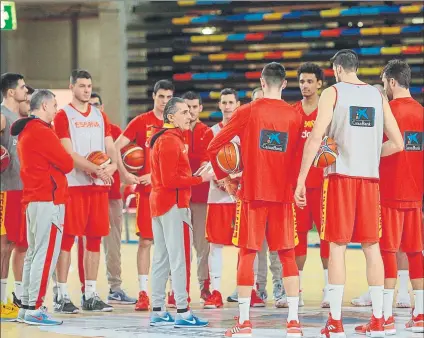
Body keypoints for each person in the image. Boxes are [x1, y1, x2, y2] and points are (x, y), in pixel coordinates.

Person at [294, 49, 404, 337]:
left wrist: (301, 180)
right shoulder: (377, 95)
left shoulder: (333, 92)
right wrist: (370, 154)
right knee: (372, 248)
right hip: (370, 180)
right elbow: (398, 142)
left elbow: (317, 136)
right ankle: (380, 320)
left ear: (336, 69)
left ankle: (336, 321)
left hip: (340, 178)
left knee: (338, 247)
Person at [208, 62, 304, 337]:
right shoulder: (295, 116)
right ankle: (294, 322)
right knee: (287, 255)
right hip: (284, 195)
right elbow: (303, 156)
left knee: (247, 255)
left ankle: (245, 322)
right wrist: (299, 186)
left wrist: (225, 179)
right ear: (285, 84)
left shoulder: (247, 111)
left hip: (252, 193)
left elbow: (213, 146)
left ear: (262, 83)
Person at [365, 59, 422, 335]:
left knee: (387, 252)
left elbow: (376, 147)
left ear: (390, 81)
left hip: (388, 192)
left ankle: (386, 316)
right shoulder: (422, 113)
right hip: (415, 195)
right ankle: (420, 313)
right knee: (415, 252)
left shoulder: (386, 111)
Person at [53, 69, 116, 313]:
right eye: (82, 85)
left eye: (89, 85)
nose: (87, 89)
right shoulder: (62, 116)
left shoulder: (101, 115)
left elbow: (110, 149)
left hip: (98, 187)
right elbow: (68, 154)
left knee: (94, 239)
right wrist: (97, 169)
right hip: (75, 186)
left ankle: (89, 293)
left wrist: (109, 167)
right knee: (67, 240)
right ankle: (61, 294)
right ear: (71, 87)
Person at [10, 89, 73, 325]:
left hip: (34, 199)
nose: (57, 109)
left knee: (33, 255)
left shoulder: (26, 130)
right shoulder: (42, 132)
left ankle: (26, 305)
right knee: (45, 256)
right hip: (48, 200)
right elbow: (66, 163)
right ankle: (36, 308)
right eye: (55, 105)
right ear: (44, 106)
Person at [149, 97, 213, 327]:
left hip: (160, 204)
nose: (189, 116)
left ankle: (157, 309)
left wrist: (196, 173)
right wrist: (201, 178)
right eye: (184, 112)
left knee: (162, 259)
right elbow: (171, 180)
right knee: (179, 259)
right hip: (174, 206)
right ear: (171, 117)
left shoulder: (162, 139)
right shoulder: (170, 141)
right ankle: (183, 312)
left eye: (190, 111)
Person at [115, 79, 174, 311]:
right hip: (147, 194)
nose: (165, 101)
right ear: (153, 97)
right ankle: (143, 293)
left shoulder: (177, 123)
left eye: (169, 97)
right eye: (161, 97)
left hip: (170, 192)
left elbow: (182, 160)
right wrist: (125, 174)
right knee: (145, 241)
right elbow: (116, 146)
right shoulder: (142, 121)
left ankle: (171, 292)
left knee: (171, 245)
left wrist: (157, 175)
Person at [352, 84, 412, 309]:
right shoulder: (372, 116)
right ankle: (397, 292)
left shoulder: (388, 114)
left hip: (385, 183)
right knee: (388, 242)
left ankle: (387, 293)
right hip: (385, 182)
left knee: (382, 243)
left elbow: (397, 144)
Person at [89, 92, 137, 305]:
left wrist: (126, 176)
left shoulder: (115, 132)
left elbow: (131, 159)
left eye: (96, 104)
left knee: (113, 244)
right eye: (89, 105)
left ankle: (115, 287)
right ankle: (85, 289)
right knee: (85, 243)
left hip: (111, 196)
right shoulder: (79, 133)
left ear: (103, 106)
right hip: (87, 194)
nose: (93, 108)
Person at [291, 62, 330, 308]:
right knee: (298, 238)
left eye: (309, 81)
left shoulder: (329, 113)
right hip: (299, 186)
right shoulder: (292, 112)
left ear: (319, 84)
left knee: (327, 237)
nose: (305, 85)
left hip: (325, 184)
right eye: (302, 81)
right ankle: (299, 289)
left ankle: (328, 288)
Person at [177, 91, 211, 305]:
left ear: (200, 109)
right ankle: (179, 290)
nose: (190, 112)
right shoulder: (174, 133)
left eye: (194, 107)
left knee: (202, 245)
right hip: (178, 196)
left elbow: (206, 165)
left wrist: (187, 174)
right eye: (186, 108)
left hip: (199, 197)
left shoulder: (206, 132)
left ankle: (204, 287)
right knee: (178, 246)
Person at [0, 73, 28, 321]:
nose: (25, 91)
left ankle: (15, 297)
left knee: (18, 244)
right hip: (5, 189)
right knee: (3, 246)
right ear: (11, 92)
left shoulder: (19, 118)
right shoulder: (2, 115)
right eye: (21, 87)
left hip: (20, 188)